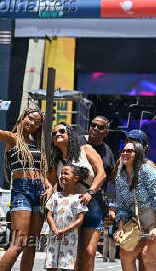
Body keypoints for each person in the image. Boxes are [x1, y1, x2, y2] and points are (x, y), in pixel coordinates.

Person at [0, 99, 52, 271]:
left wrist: (50, 186)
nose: (33, 123)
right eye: (31, 119)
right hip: (21, 191)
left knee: (31, 245)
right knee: (18, 244)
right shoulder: (12, 138)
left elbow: (40, 172)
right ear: (23, 117)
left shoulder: (37, 145)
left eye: (37, 122)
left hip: (40, 192)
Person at [48, 122, 106, 271]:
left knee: (89, 252)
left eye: (62, 131)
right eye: (54, 133)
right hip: (70, 210)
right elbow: (50, 182)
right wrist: (48, 190)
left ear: (70, 134)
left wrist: (90, 193)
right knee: (74, 254)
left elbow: (101, 174)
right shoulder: (57, 160)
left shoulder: (85, 150)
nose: (57, 134)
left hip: (92, 205)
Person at [114, 141, 156, 271]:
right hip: (142, 220)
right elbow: (122, 207)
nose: (125, 153)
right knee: (125, 254)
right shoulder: (120, 178)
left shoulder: (146, 171)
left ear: (138, 154)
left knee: (147, 255)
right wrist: (120, 228)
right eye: (123, 151)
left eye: (129, 151)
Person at [45, 164, 89, 270]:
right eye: (62, 173)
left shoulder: (79, 199)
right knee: (51, 266)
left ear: (76, 178)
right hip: (54, 236)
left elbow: (80, 220)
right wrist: (55, 230)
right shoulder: (55, 196)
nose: (63, 176)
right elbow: (49, 215)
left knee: (66, 267)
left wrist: (65, 230)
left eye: (66, 173)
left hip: (70, 238)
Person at [79, 116, 115, 192]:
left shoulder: (107, 152)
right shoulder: (77, 142)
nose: (95, 128)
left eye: (100, 127)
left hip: (96, 196)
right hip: (76, 193)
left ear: (106, 133)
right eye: (93, 125)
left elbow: (110, 178)